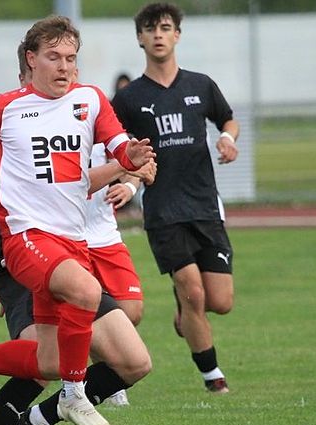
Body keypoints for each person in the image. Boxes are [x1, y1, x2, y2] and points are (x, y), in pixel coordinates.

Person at [0, 15, 154, 425]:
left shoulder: (90, 100)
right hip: (25, 238)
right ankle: (73, 395)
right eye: (54, 57)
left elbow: (119, 145)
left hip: (73, 241)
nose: (64, 66)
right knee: (87, 290)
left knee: (49, 361)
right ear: (31, 59)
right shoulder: (2, 108)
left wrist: (133, 156)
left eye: (71, 58)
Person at [112, 2, 240, 394]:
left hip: (205, 205)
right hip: (163, 211)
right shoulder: (129, 98)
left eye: (165, 28)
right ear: (140, 38)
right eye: (150, 29)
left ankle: (185, 309)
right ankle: (214, 379)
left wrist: (227, 138)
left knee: (220, 301)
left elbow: (227, 118)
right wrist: (129, 182)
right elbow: (112, 146)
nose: (158, 35)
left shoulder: (200, 85)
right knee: (194, 292)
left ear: (177, 35)